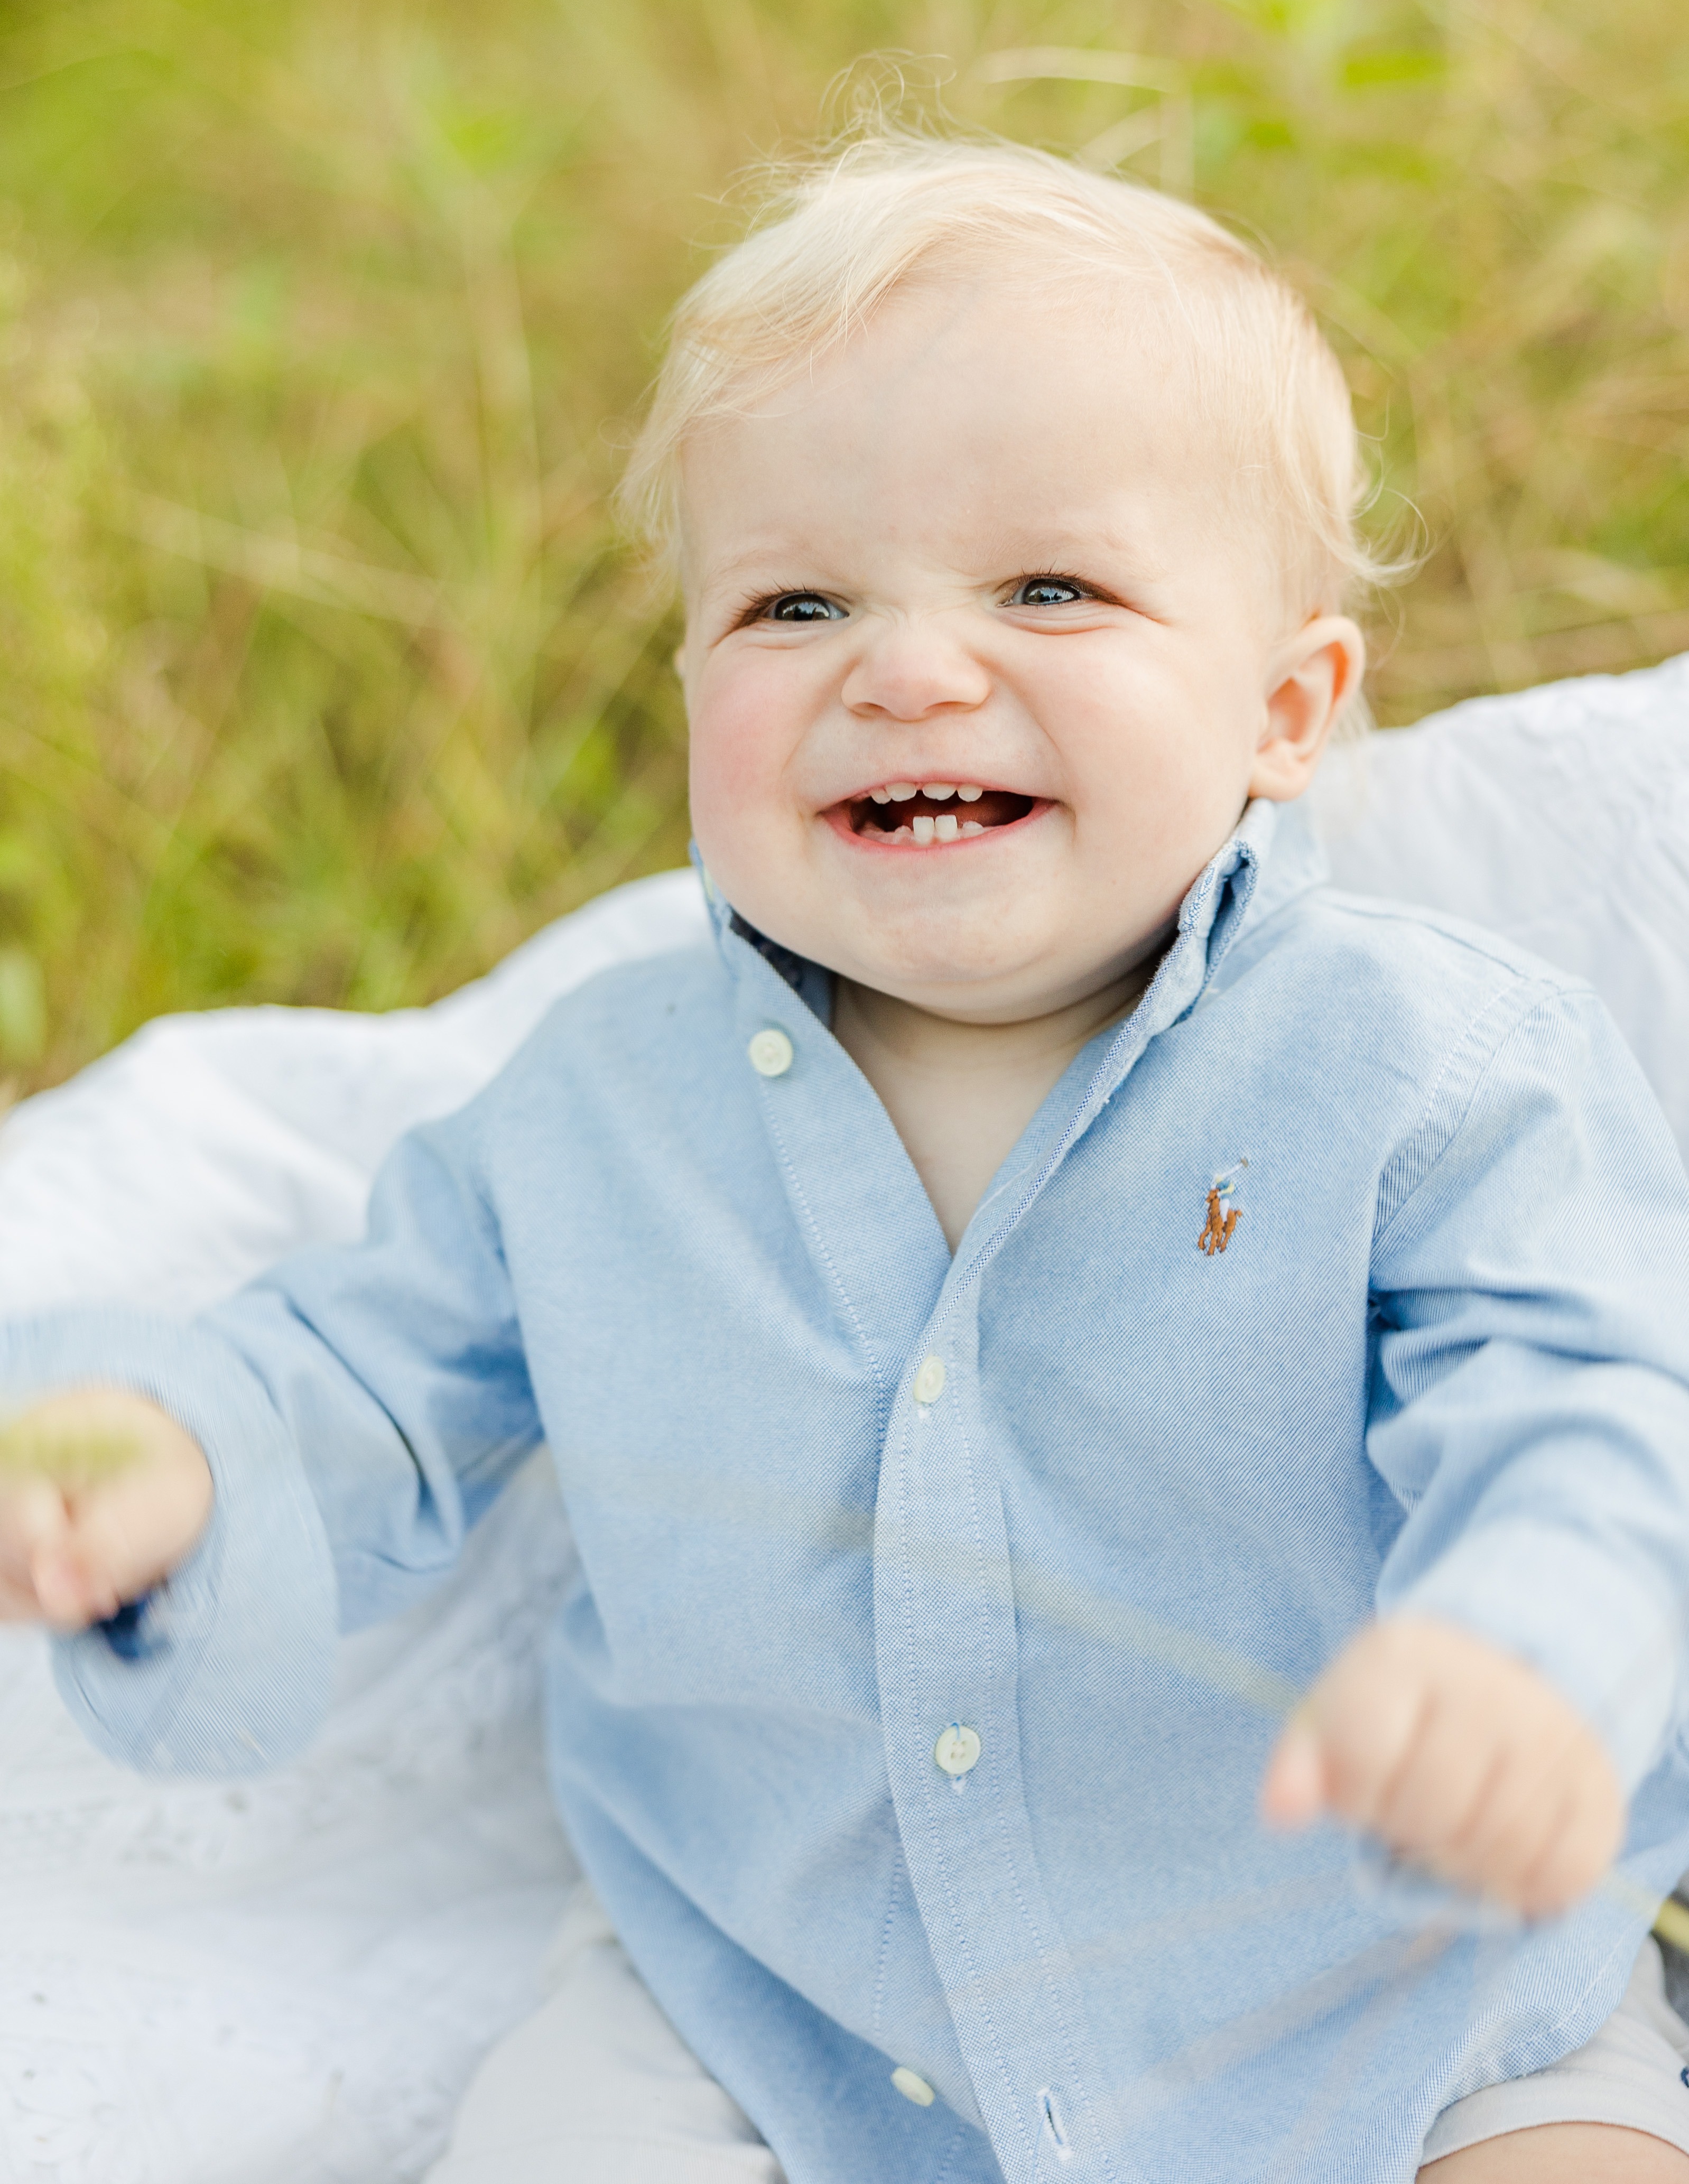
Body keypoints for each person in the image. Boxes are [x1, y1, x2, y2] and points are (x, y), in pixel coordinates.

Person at [3, 136, 1689, 2184]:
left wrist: (1528, 1640)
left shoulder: (1428, 1063)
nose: (905, 664)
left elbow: (1596, 1398)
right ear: (693, 680)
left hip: (1373, 1967)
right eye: (793, 599)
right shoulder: (598, 1106)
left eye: (1047, 587)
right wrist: (160, 1456)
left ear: (1285, 707)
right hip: (772, 1982)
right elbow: (356, 1378)